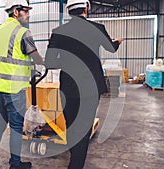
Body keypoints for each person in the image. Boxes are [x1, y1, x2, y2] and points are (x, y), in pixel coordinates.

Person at [44, 0, 123, 168]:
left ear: (69, 12)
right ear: (86, 8)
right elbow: (111, 48)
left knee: (71, 127)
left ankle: (75, 162)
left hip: (68, 88)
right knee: (83, 129)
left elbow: (50, 62)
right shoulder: (97, 29)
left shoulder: (59, 32)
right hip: (91, 88)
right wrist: (117, 42)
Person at [0, 0, 43, 169]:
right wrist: (46, 62)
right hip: (13, 88)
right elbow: (35, 57)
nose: (28, 14)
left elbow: (8, 57)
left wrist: (29, 70)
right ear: (16, 12)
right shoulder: (23, 32)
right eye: (26, 11)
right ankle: (15, 164)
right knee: (16, 127)